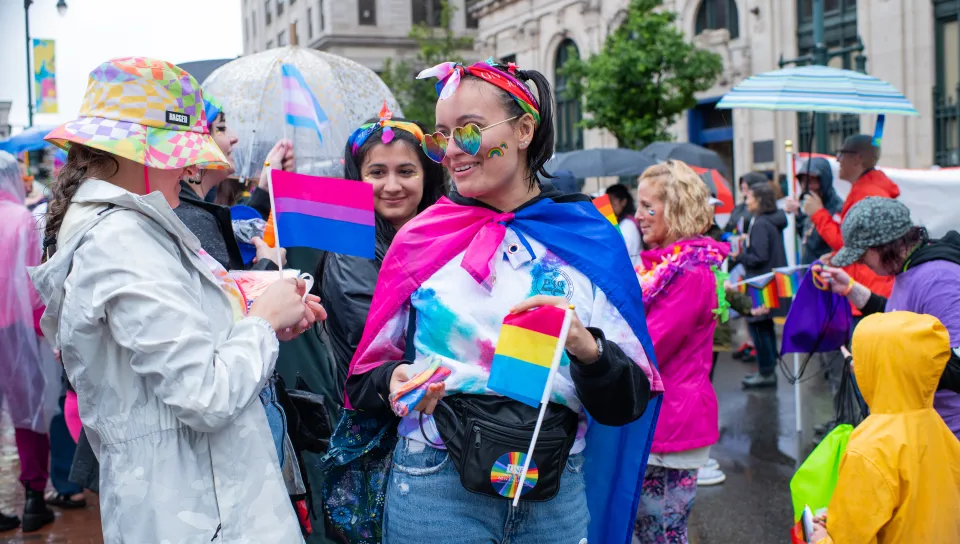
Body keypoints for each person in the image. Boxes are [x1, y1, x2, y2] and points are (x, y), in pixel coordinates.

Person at [344, 59, 662, 544]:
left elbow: (626, 404)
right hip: (435, 482)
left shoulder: (591, 238)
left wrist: (585, 346)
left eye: (468, 131)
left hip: (553, 489)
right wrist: (396, 378)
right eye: (442, 135)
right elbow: (365, 380)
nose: (451, 152)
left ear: (524, 130)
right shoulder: (420, 239)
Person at [29, 57, 324, 542]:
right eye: (178, 152)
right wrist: (263, 323)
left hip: (191, 502)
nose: (190, 167)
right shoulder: (123, 239)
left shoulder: (126, 230)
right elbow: (205, 394)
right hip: (202, 511)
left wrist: (255, 317)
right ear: (130, 153)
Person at [631, 161, 729, 536]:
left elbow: (649, 348)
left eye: (647, 207)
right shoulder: (673, 264)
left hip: (672, 423)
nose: (638, 216)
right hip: (663, 420)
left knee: (663, 533)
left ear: (675, 209)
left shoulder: (689, 272)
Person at [318, 105, 445, 386]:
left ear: (426, 176)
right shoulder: (349, 249)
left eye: (405, 171)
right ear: (357, 179)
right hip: (387, 413)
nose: (392, 186)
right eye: (377, 173)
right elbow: (374, 344)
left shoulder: (444, 236)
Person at [808, 312, 960, 544]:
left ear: (877, 366)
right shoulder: (937, 426)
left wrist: (821, 539)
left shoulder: (868, 447)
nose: (855, 365)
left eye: (861, 357)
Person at [817, 197, 960, 437]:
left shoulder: (938, 280)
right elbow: (902, 321)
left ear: (884, 245)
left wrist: (876, 361)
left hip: (949, 434)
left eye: (862, 255)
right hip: (926, 426)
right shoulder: (910, 269)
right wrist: (851, 290)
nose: (860, 263)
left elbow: (956, 367)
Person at [0, 151, 57, 533]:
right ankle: (35, 497)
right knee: (30, 411)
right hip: (18, 330)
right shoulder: (23, 219)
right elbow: (36, 283)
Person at [174, 95, 285, 270]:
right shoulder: (194, 221)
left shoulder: (189, 210)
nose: (234, 137)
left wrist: (264, 187)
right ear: (197, 145)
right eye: (221, 128)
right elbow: (227, 296)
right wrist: (269, 265)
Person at [799, 134, 900, 313]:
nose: (838, 160)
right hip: (867, 287)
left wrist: (817, 213)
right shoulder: (865, 190)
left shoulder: (867, 194)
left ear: (857, 159)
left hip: (868, 290)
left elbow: (849, 244)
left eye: (842, 154)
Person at [732, 181, 787, 388]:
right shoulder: (766, 221)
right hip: (765, 282)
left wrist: (740, 256)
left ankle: (765, 371)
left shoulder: (761, 223)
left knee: (759, 327)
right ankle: (768, 368)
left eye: (750, 198)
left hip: (759, 283)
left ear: (760, 201)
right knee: (765, 326)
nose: (746, 201)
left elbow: (759, 255)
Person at [784, 157, 843, 265]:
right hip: (809, 271)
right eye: (804, 182)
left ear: (824, 181)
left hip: (827, 273)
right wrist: (799, 214)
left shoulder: (837, 208)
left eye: (812, 181)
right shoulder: (811, 205)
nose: (808, 187)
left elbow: (837, 243)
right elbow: (808, 239)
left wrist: (819, 214)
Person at [606, 183, 641, 264]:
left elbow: (621, 255)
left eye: (611, 201)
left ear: (623, 202)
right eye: (606, 201)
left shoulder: (628, 225)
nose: (607, 205)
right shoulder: (622, 223)